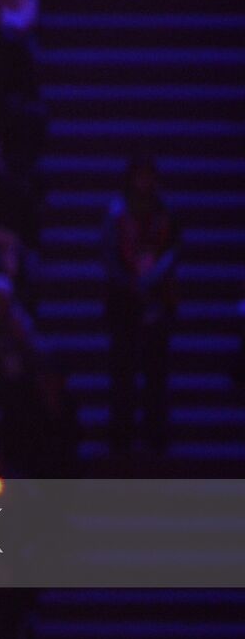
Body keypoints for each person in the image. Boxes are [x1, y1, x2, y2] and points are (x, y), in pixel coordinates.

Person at [103, 155, 180, 454]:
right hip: (124, 301)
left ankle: (155, 433)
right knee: (122, 369)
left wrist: (153, 278)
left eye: (149, 176)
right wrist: (129, 281)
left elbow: (174, 250)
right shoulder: (116, 212)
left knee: (155, 370)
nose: (144, 182)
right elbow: (108, 252)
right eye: (139, 176)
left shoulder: (166, 212)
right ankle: (121, 434)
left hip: (158, 299)